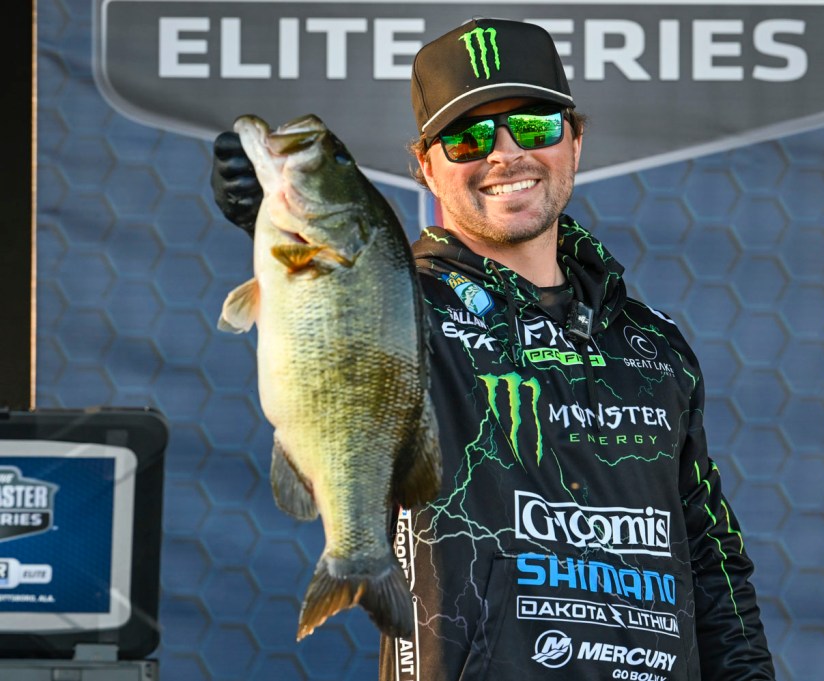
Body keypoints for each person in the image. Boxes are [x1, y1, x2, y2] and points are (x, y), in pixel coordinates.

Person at [211, 17, 775, 681]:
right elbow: (337, 331)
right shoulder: (402, 308)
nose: (505, 154)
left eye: (533, 125)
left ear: (576, 141)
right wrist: (281, 230)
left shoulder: (655, 342)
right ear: (426, 166)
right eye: (468, 137)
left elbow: (712, 562)